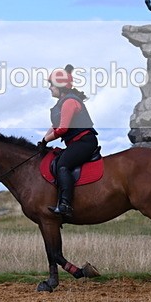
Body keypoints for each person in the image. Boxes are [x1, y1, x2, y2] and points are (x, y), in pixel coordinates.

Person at [37, 64, 99, 218]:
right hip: (77, 142)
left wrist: (46, 140)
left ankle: (65, 204)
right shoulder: (62, 103)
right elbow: (55, 126)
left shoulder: (69, 102)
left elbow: (62, 129)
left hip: (84, 142)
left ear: (60, 86)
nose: (50, 88)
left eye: (51, 85)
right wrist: (43, 140)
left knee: (62, 165)